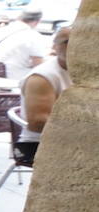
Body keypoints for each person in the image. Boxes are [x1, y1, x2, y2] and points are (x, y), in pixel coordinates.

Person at [18, 27, 70, 161]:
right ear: (55, 47)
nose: (74, 46)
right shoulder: (42, 78)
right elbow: (38, 123)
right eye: (67, 42)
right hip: (38, 146)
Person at [0, 9, 48, 79]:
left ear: (18, 18)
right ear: (38, 22)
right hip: (12, 80)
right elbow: (39, 66)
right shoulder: (34, 36)